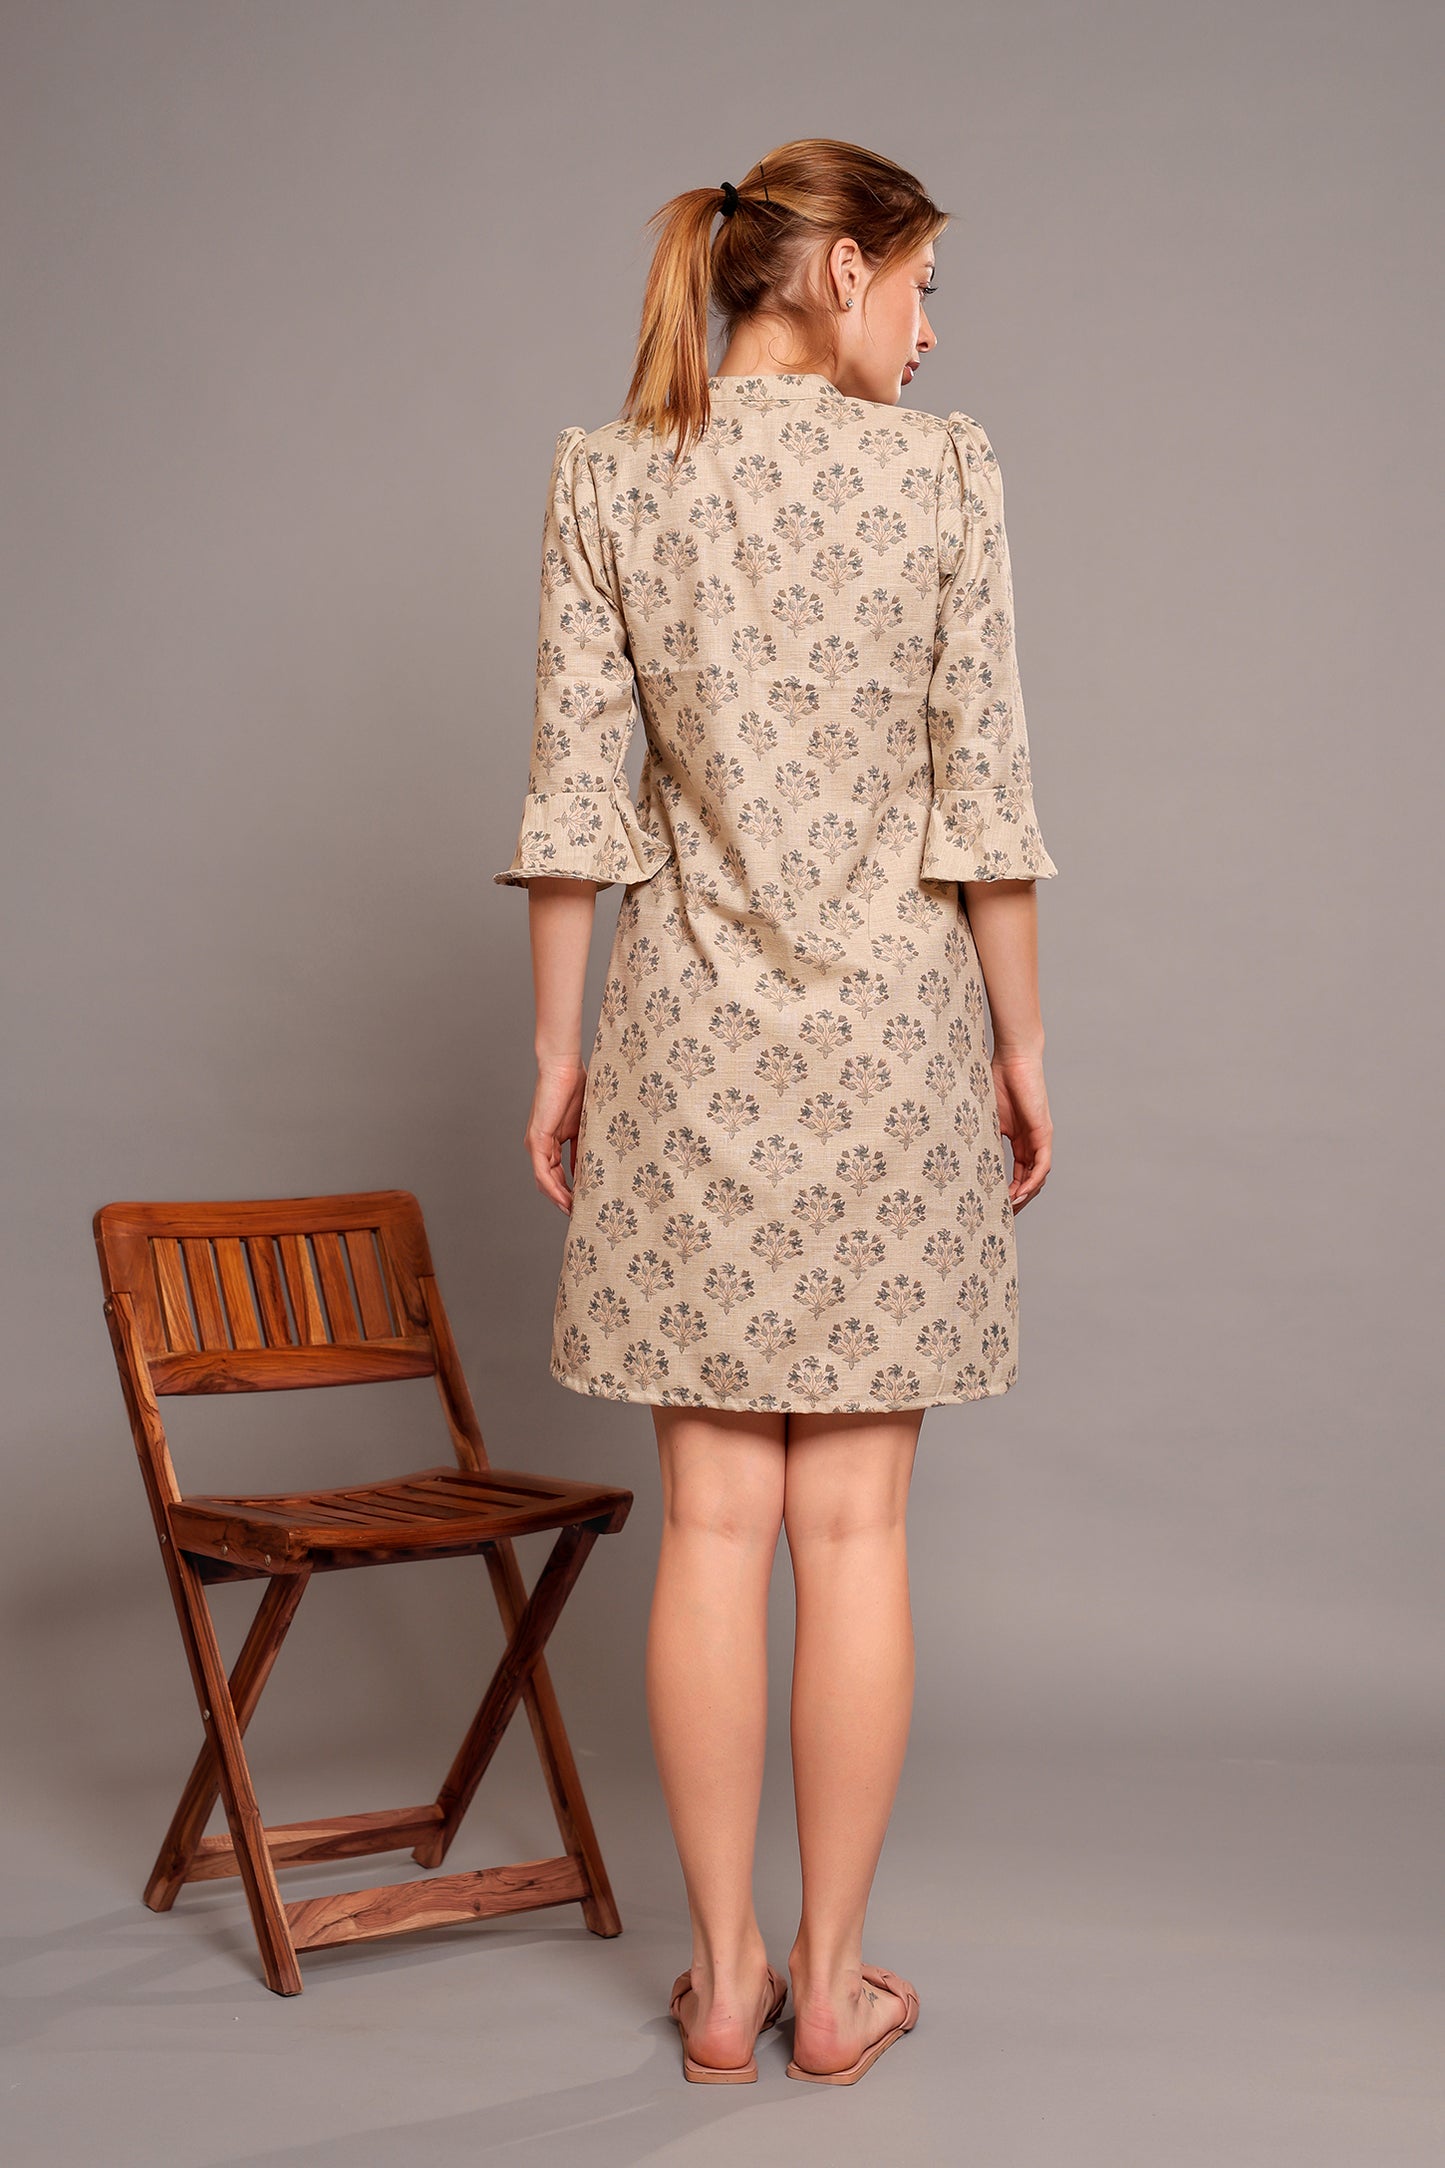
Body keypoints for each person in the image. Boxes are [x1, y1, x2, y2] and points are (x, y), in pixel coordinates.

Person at [493, 137, 1058, 2086]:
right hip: (898, 1052)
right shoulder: (945, 474)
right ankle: (833, 1983)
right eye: (921, 287)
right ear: (834, 273)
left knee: (714, 1525)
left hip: (689, 1053)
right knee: (859, 1525)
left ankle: (720, 1982)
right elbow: (983, 795)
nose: (930, 329)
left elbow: (577, 802)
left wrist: (558, 1051)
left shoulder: (613, 473)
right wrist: (1023, 1045)